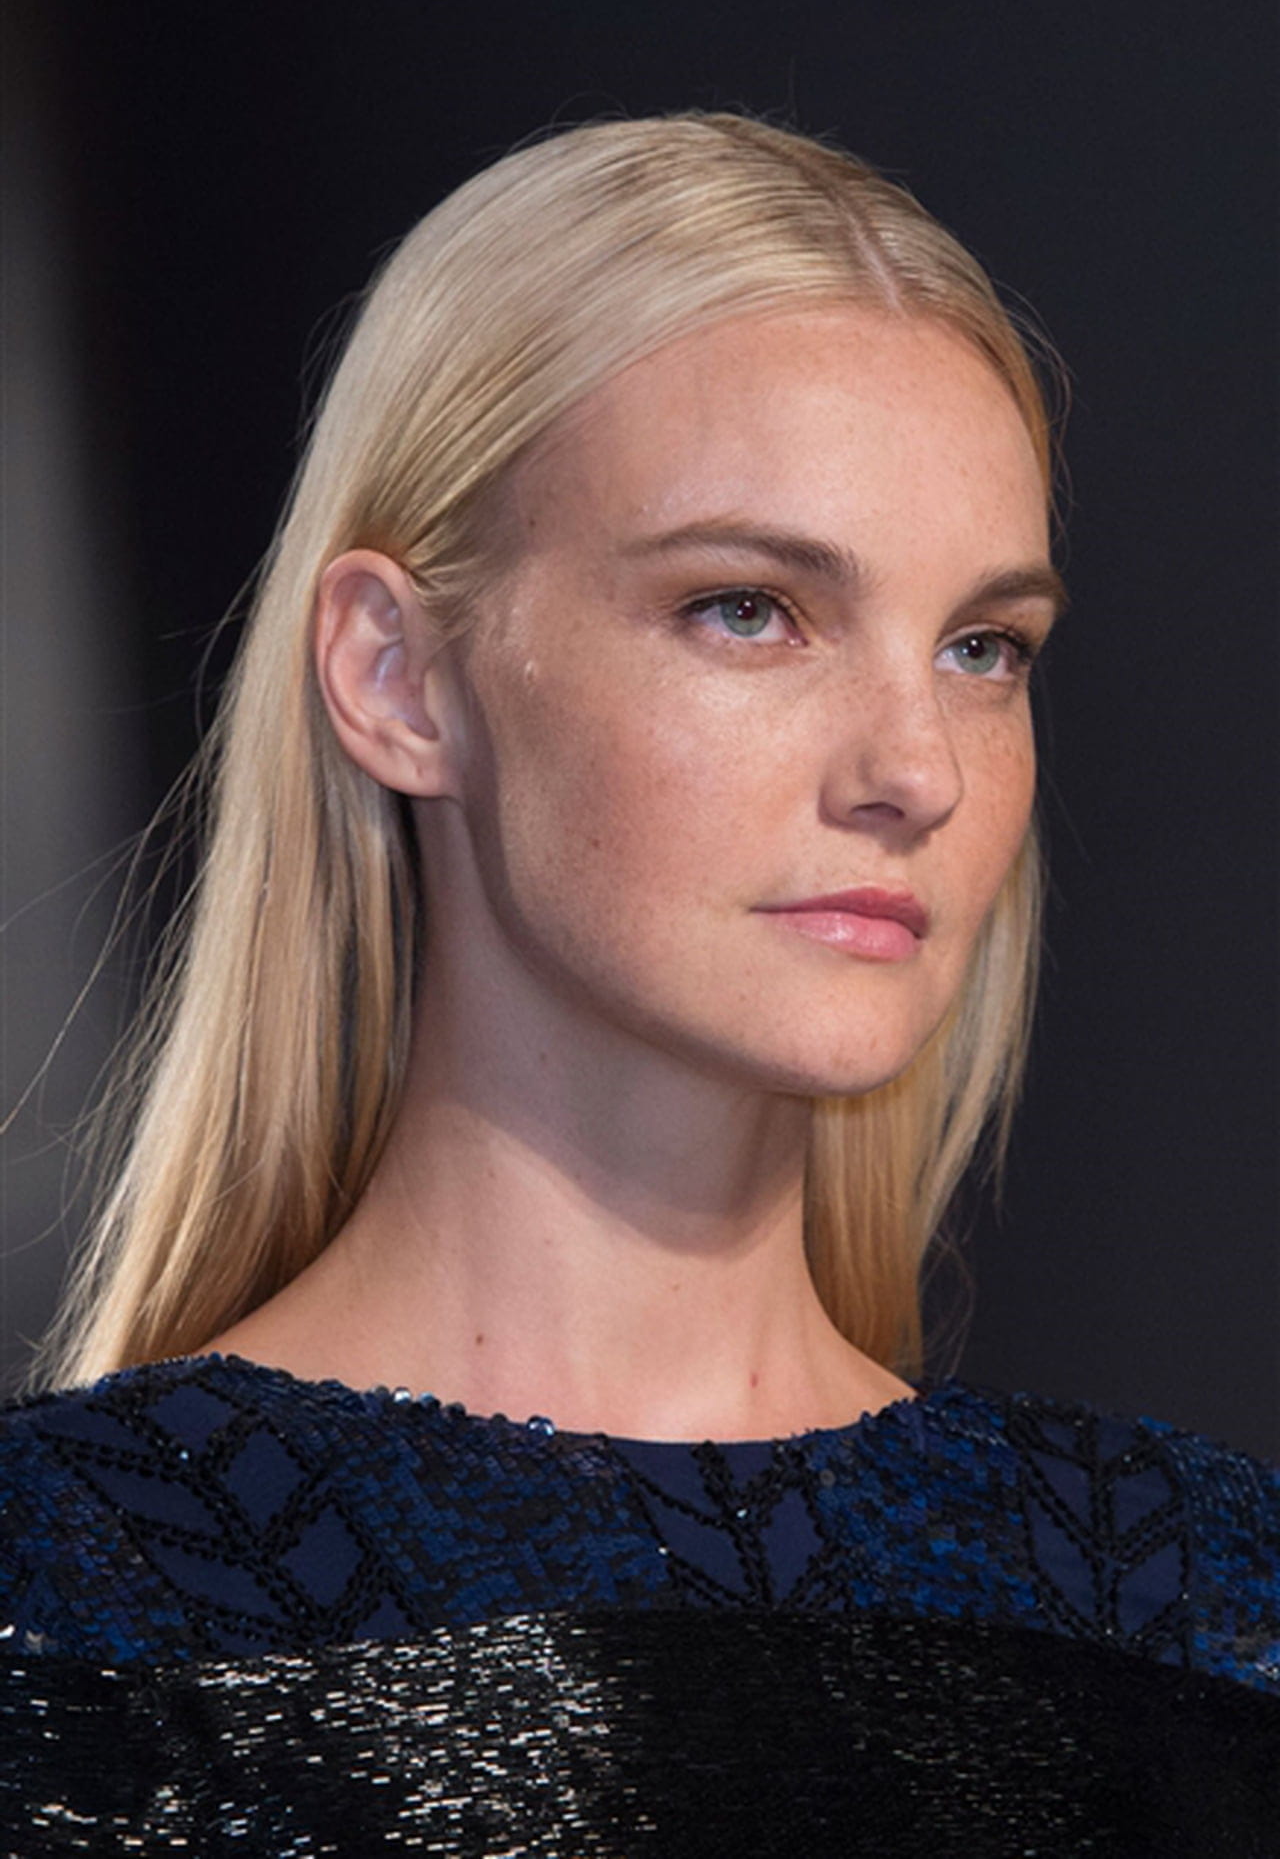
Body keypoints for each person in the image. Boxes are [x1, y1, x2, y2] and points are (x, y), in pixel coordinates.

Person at [0, 112, 1275, 1854]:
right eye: (749, 608)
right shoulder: (63, 1602)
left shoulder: (1204, 1608)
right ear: (397, 677)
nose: (917, 769)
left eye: (983, 648)